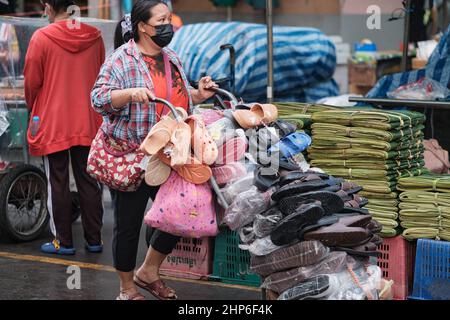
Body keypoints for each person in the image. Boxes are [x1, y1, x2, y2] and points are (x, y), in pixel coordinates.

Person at [91, 0, 217, 300]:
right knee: (128, 227)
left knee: (183, 213)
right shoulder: (121, 60)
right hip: (132, 156)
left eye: (168, 19)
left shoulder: (171, 58)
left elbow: (181, 101)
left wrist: (199, 93)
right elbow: (98, 99)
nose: (167, 26)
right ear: (142, 27)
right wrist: (129, 94)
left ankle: (148, 270)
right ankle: (126, 288)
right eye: (160, 21)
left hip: (169, 155)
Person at [24, 0, 105, 255]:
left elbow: (31, 83)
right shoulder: (95, 38)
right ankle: (94, 240)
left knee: (57, 181)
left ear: (48, 6)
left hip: (53, 121)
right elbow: (100, 76)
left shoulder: (41, 37)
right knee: (89, 180)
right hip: (89, 119)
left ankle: (63, 241)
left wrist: (33, 108)